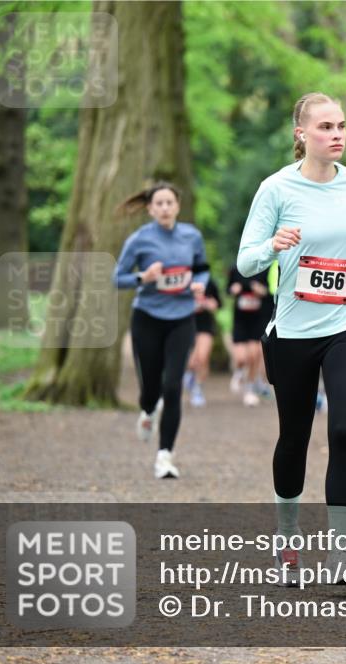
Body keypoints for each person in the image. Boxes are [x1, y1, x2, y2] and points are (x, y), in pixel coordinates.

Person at [237, 92, 346, 585]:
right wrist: (273, 245)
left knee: (344, 430)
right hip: (293, 332)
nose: (338, 135)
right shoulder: (276, 189)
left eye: (342, 126)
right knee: (294, 438)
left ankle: (341, 555)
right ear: (301, 134)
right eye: (326, 126)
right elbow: (245, 262)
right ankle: (287, 541)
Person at [113, 182, 209, 479]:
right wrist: (144, 276)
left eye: (170, 202)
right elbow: (118, 278)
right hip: (148, 319)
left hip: (181, 318)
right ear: (150, 209)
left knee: (173, 387)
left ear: (178, 206)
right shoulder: (139, 240)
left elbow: (202, 268)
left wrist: (199, 285)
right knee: (151, 387)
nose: (165, 208)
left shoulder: (191, 236)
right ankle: (148, 409)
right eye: (160, 203)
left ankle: (165, 456)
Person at [226, 265, 274, 406]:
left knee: (254, 356)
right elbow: (228, 289)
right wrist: (233, 290)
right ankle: (239, 372)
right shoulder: (236, 269)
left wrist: (261, 291)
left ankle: (250, 388)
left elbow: (270, 292)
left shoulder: (265, 269)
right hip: (240, 320)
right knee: (241, 358)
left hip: (257, 319)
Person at [184, 275, 222, 407]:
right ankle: (189, 376)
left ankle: (197, 389)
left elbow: (218, 304)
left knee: (203, 357)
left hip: (205, 326)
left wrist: (208, 304)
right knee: (190, 362)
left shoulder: (210, 282)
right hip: (186, 325)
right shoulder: (182, 280)